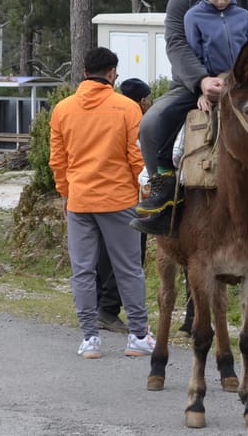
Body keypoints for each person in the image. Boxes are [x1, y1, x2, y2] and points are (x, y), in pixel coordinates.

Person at [133, 0, 248, 235]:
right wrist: (201, 81)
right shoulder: (183, 0)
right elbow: (177, 44)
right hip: (191, 85)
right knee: (149, 125)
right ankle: (165, 193)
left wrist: (238, 77)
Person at [49, 47, 156, 359]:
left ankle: (89, 338)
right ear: (112, 74)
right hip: (119, 199)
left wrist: (65, 192)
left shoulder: (62, 109)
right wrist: (147, 193)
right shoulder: (126, 107)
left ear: (84, 72)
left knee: (82, 270)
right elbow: (137, 157)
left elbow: (58, 160)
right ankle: (138, 336)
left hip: (80, 200)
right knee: (128, 268)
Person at [95, 77, 152, 334]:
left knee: (102, 254)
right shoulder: (136, 122)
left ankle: (98, 306)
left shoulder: (105, 116)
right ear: (141, 101)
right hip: (127, 198)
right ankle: (108, 309)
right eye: (148, 99)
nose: (150, 104)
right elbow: (138, 161)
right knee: (129, 257)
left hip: (96, 195)